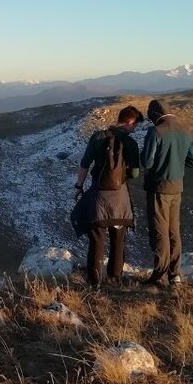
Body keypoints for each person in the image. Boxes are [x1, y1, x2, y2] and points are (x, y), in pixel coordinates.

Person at [74, 106, 143, 285]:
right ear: (130, 122)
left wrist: (78, 186)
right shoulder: (130, 144)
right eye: (134, 126)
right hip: (120, 198)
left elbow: (84, 164)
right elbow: (135, 173)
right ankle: (114, 278)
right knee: (118, 240)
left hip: (99, 195)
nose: (134, 130)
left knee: (97, 239)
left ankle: (94, 280)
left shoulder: (97, 137)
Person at [141, 99, 193, 285]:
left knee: (159, 231)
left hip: (159, 188)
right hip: (177, 188)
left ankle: (159, 274)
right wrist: (175, 162)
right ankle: (175, 274)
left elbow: (147, 162)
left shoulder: (156, 132)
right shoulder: (185, 132)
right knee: (174, 230)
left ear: (154, 115)